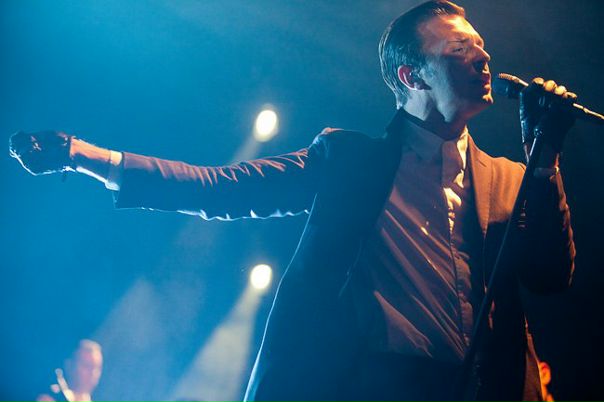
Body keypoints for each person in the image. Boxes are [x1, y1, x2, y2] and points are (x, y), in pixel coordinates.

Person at [11, 1, 575, 401]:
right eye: (460, 48)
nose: (483, 57)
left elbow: (552, 276)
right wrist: (82, 155)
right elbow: (220, 188)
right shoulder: (348, 161)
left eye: (482, 45)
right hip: (376, 386)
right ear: (412, 76)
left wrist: (545, 159)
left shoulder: (512, 178)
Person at [36, 340, 103, 402]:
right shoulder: (51, 398)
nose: (93, 373)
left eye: (97, 368)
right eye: (86, 365)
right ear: (69, 365)